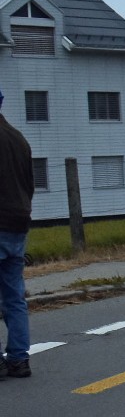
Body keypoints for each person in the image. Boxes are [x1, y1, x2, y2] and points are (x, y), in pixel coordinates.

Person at [0, 85, 34, 378]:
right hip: (18, 224)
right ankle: (19, 359)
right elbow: (29, 185)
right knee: (14, 296)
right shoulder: (19, 139)